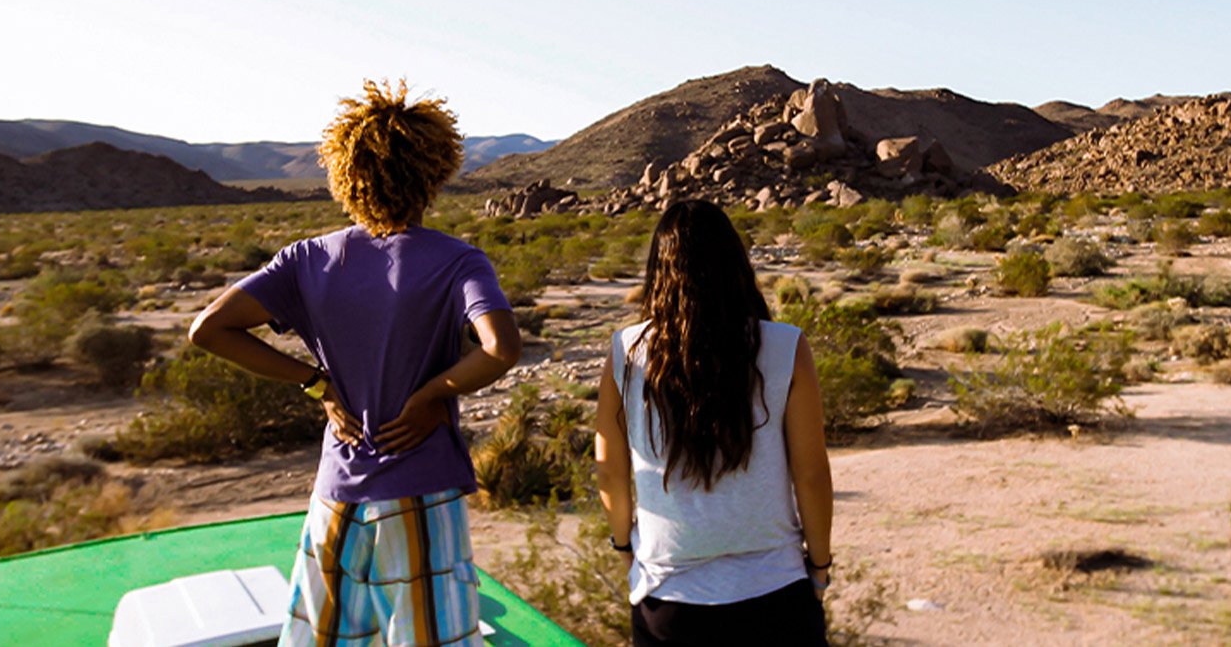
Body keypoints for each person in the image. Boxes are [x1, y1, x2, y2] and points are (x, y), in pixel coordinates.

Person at [188, 79, 521, 647]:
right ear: (432, 171)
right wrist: (431, 395)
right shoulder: (458, 260)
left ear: (348, 173)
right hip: (419, 488)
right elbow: (501, 347)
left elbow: (208, 329)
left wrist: (316, 383)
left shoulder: (306, 259)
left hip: (336, 492)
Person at [594, 200, 835, 645]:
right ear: (735, 265)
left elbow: (609, 470)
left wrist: (624, 547)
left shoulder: (625, 354)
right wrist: (818, 567)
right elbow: (812, 472)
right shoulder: (784, 346)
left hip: (669, 601)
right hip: (776, 594)